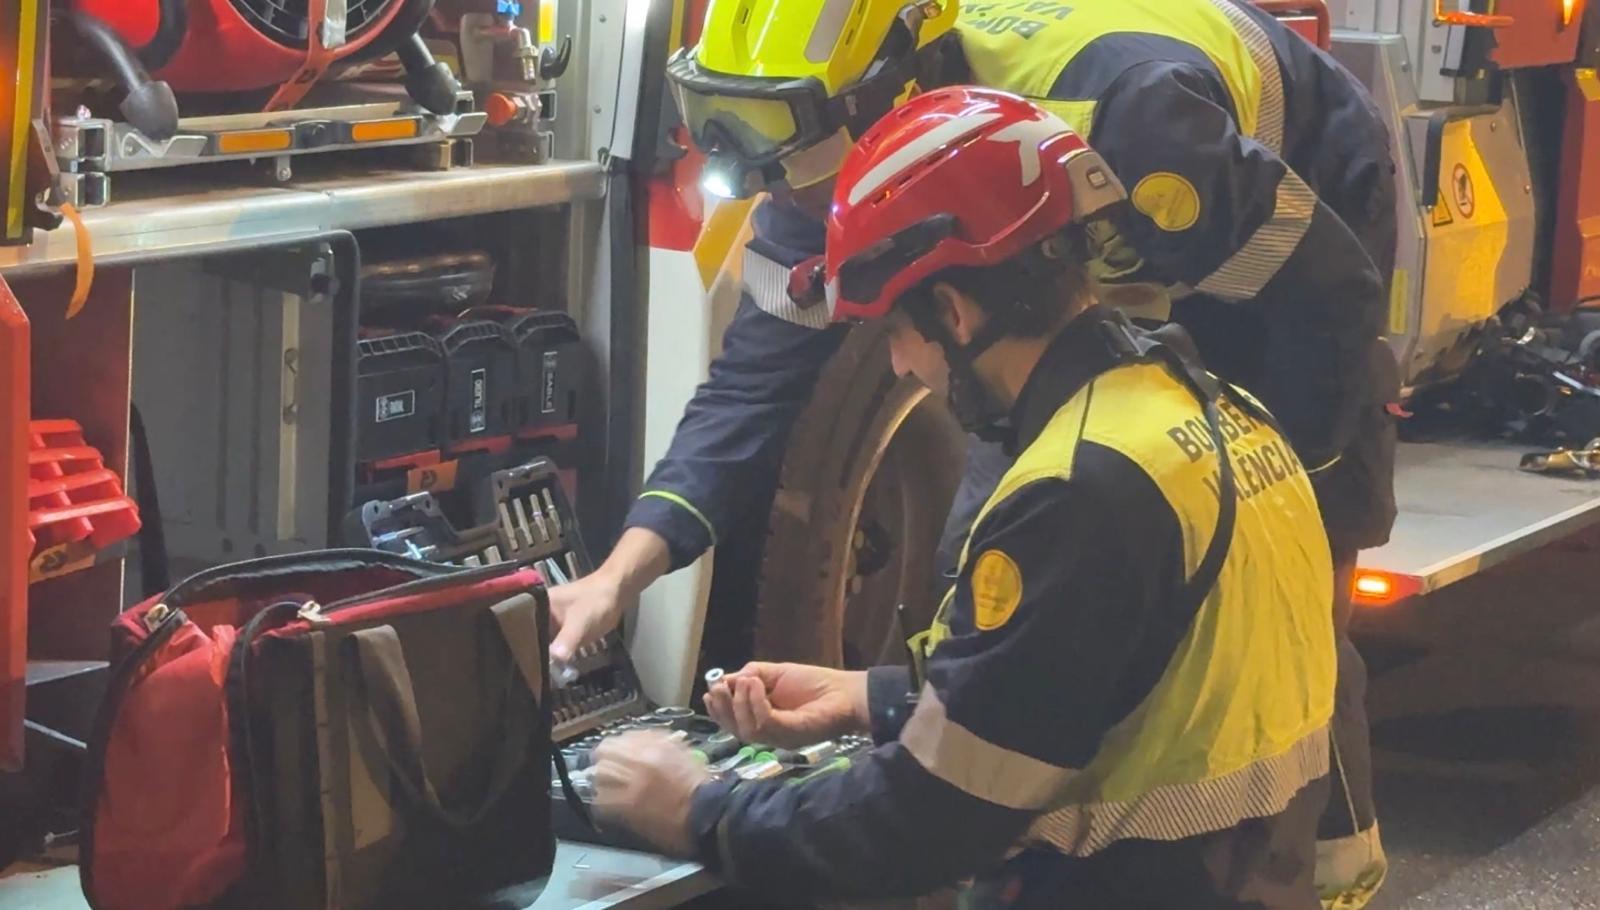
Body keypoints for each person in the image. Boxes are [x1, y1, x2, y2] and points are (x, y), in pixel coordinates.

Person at [554, 0, 1396, 903]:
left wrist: (1267, 492)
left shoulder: (1133, 119)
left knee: (1261, 580)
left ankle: (1324, 867)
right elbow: (754, 385)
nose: (893, 367)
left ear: (890, 96)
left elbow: (1333, 299)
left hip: (1290, 229)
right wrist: (622, 576)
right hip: (1102, 278)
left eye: (894, 335)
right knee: (1028, 553)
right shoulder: (831, 153)